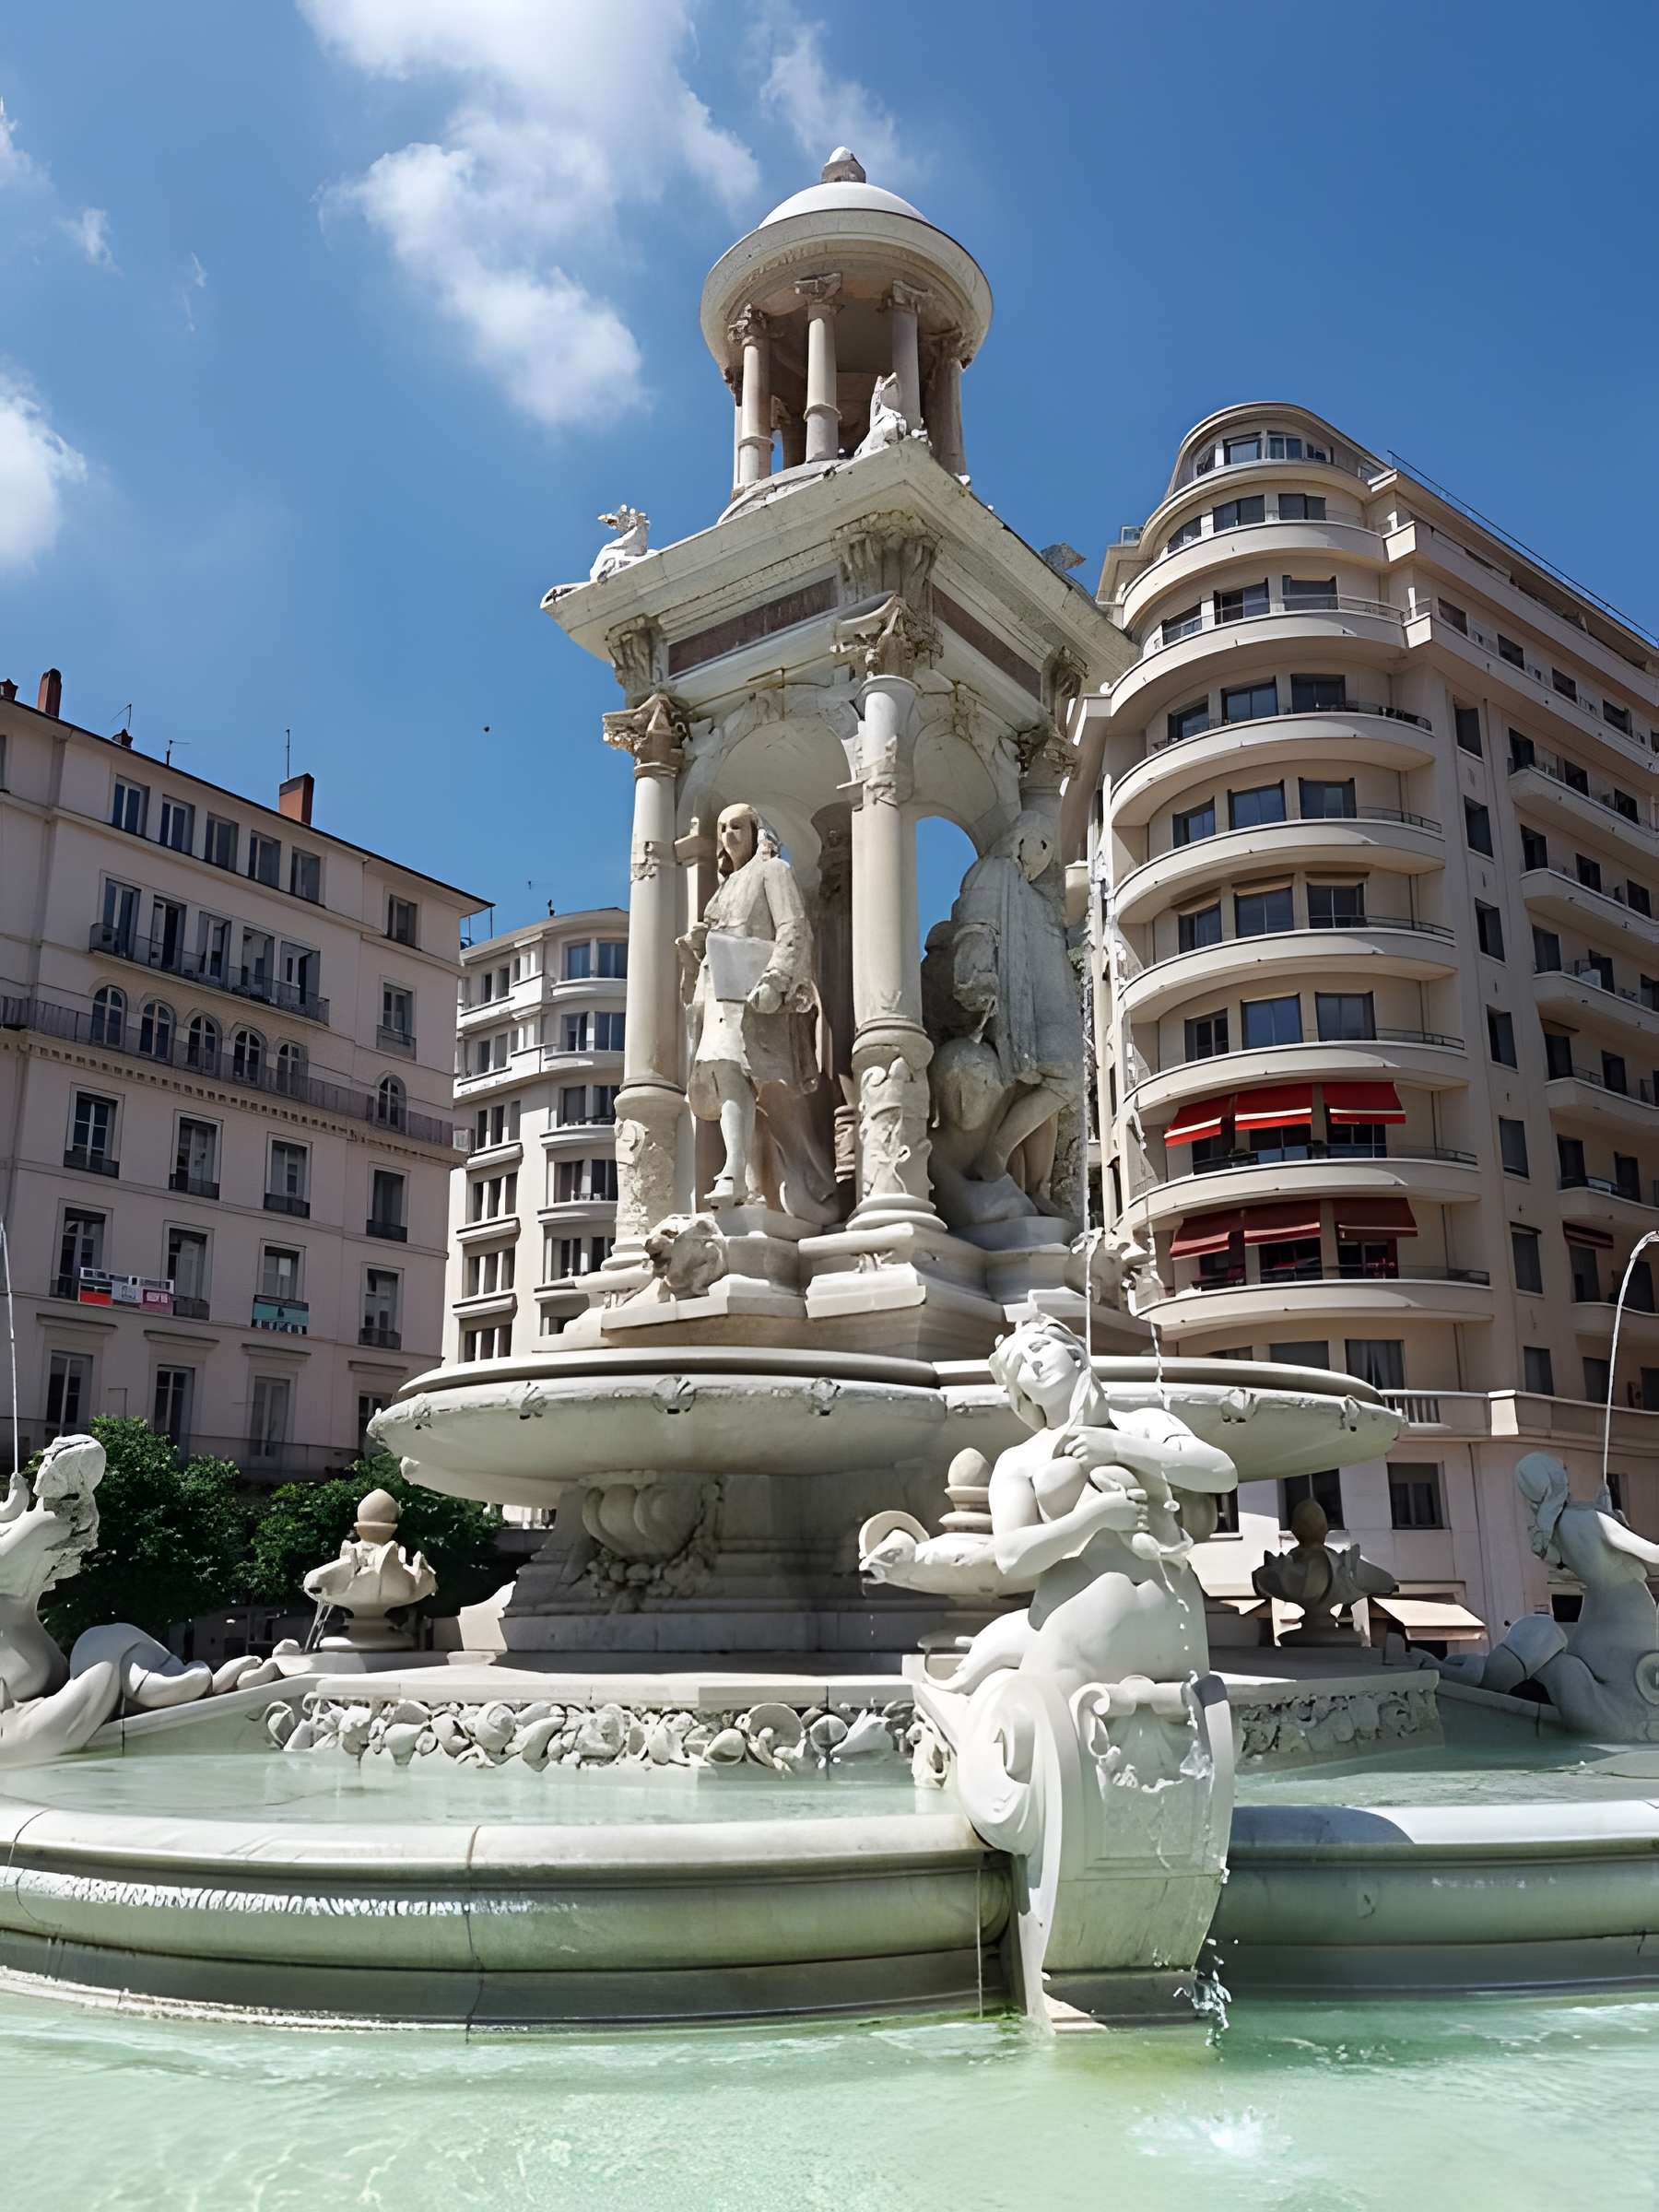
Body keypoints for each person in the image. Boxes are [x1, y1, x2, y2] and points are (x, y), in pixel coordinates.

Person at [942, 1315, 1236, 1700]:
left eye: (1039, 1349)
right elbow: (1012, 1558)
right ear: (1022, 1393)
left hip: (1166, 1614)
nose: (1033, 1364)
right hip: (1083, 1623)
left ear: (1076, 1354)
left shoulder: (1144, 1425)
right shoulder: (1018, 1461)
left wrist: (1116, 1447)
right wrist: (1095, 1517)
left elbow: (1221, 1472)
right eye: (1020, 1367)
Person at [678, 804, 839, 1223]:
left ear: (755, 832)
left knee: (780, 1108)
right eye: (722, 828)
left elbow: (793, 928)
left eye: (737, 826)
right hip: (720, 996)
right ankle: (737, 1175)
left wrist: (777, 979)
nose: (729, 834)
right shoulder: (724, 888)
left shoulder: (774, 871)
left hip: (759, 998)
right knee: (727, 1070)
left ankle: (809, 1182)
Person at [943, 812, 1084, 1214]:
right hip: (1019, 1003)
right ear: (1017, 839)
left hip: (1047, 1008)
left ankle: (1035, 1190)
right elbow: (977, 927)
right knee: (1067, 1078)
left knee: (1051, 1093)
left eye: (1048, 848)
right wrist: (977, 978)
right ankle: (996, 1155)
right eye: (1038, 841)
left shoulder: (1034, 896)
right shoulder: (994, 872)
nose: (1042, 855)